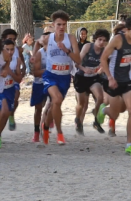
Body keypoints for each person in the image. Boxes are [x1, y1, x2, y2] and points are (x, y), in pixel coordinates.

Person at [97, 16, 131, 157]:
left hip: (127, 80)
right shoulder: (117, 39)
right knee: (115, 114)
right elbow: (103, 58)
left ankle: (129, 145)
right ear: (126, 30)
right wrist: (110, 78)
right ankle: (103, 111)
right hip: (114, 81)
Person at [41, 10, 81, 145]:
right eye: (59, 24)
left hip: (64, 77)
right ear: (53, 25)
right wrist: (34, 56)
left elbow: (78, 59)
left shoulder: (71, 39)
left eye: (64, 24)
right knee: (56, 99)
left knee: (55, 104)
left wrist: (66, 50)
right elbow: (38, 44)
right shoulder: (48, 38)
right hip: (50, 75)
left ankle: (45, 126)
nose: (62, 27)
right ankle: (59, 133)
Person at [73, 29, 109, 135]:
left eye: (104, 40)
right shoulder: (88, 47)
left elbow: (105, 63)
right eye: (100, 39)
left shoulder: (105, 50)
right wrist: (84, 69)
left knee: (100, 98)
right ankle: (78, 122)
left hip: (94, 77)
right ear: (95, 39)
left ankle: (96, 120)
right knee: (82, 104)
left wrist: (101, 69)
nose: (102, 42)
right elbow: (77, 62)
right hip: (82, 76)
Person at [0, 39, 23, 148]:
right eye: (7, 49)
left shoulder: (16, 60)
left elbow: (19, 79)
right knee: (1, 112)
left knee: (6, 114)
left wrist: (11, 71)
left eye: (12, 49)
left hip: (9, 89)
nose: (10, 52)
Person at [0, 28, 24, 131]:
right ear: (4, 39)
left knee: (15, 98)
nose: (13, 40)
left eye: (14, 39)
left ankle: (11, 114)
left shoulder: (17, 50)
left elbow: (22, 63)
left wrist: (22, 72)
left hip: (12, 80)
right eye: (10, 38)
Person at [30, 30, 50, 142]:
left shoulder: (57, 52)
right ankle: (36, 131)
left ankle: (46, 126)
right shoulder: (40, 53)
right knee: (38, 108)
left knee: (51, 105)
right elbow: (35, 72)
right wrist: (49, 70)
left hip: (52, 83)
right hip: (39, 83)